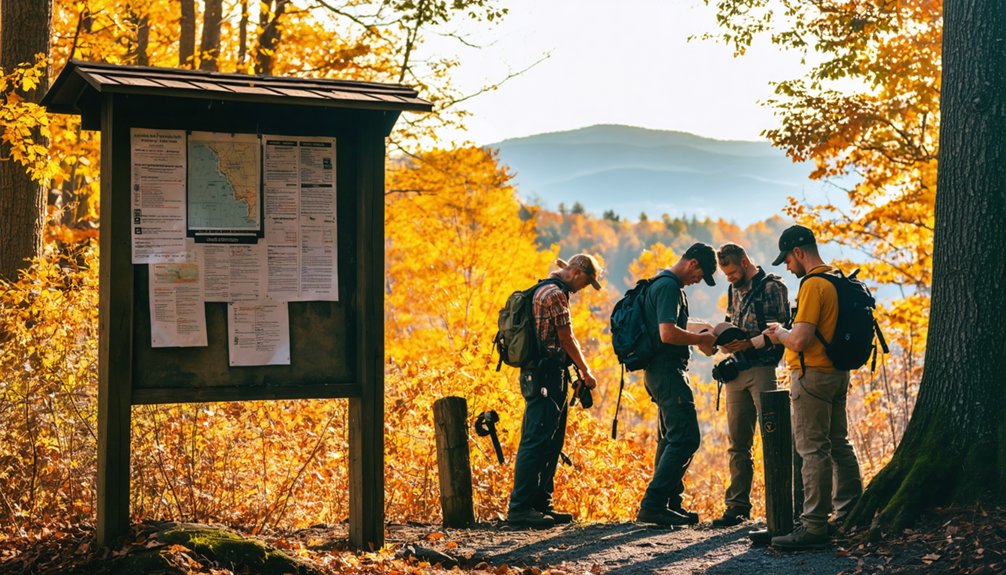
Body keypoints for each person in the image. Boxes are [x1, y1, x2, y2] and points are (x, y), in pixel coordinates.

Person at [763, 225, 863, 550]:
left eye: (788, 261)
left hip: (812, 378)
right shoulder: (836, 278)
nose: (788, 268)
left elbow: (802, 340)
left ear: (799, 253)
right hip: (838, 374)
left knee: (813, 451)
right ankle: (850, 513)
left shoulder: (813, 285)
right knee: (839, 443)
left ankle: (814, 527)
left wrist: (780, 332)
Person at [506, 254, 602, 528]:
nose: (585, 287)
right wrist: (585, 370)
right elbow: (565, 337)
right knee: (537, 441)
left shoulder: (542, 289)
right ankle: (521, 508)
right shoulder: (555, 295)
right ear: (575, 272)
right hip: (545, 377)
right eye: (586, 281)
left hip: (540, 375)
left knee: (549, 441)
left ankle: (541, 505)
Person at [636, 242, 718, 527]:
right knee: (686, 437)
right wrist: (702, 339)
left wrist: (699, 328)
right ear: (693, 263)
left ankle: (670, 502)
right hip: (667, 372)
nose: (698, 282)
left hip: (659, 372)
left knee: (670, 438)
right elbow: (667, 333)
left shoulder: (660, 283)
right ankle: (654, 504)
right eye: (701, 275)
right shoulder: (669, 286)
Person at [710, 243, 790, 528]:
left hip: (763, 369)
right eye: (725, 274)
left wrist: (748, 343)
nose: (729, 278)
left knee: (774, 439)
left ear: (744, 262)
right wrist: (722, 341)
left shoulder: (773, 287)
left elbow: (780, 331)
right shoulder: (733, 289)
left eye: (731, 272)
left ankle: (782, 507)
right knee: (738, 443)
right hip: (737, 371)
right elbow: (732, 321)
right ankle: (737, 507)